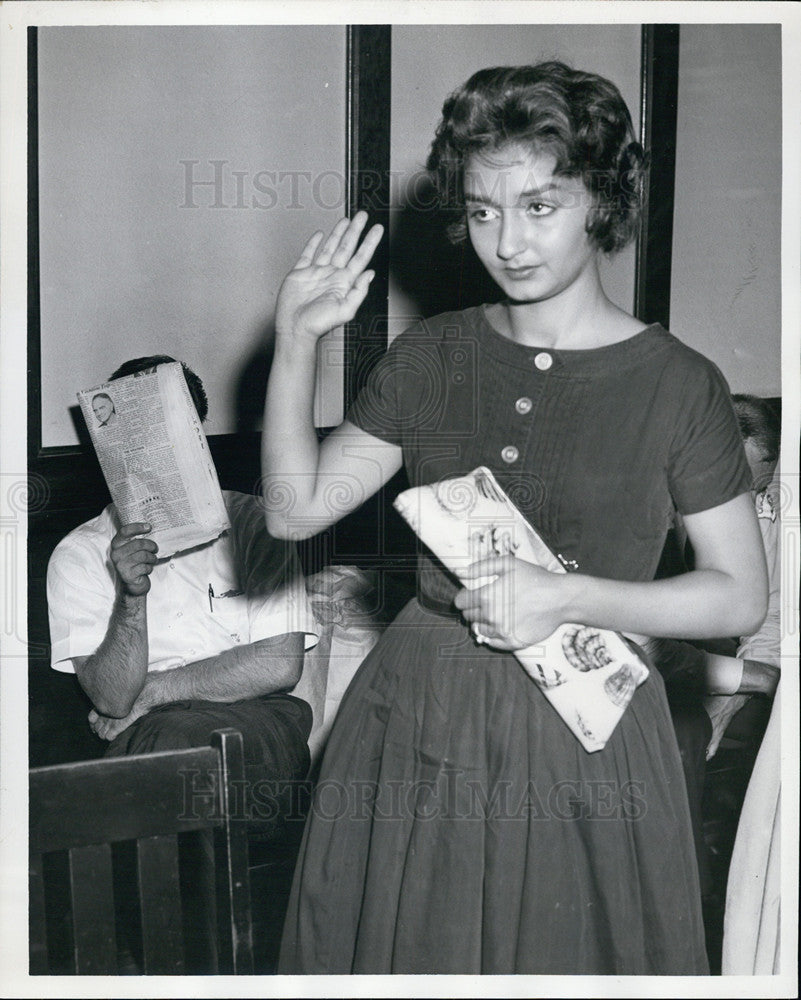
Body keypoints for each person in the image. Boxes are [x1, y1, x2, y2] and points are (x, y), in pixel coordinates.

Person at [263, 63, 768, 974]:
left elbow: (737, 599)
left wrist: (565, 597)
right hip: (417, 717)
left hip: (587, 735)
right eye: (485, 210)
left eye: (541, 206)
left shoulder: (677, 383)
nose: (508, 240)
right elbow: (296, 512)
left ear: (601, 201)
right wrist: (296, 343)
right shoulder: (433, 356)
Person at [48, 355, 318, 810]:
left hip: (259, 717)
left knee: (171, 753)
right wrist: (130, 598)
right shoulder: (78, 554)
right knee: (163, 758)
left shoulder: (255, 522)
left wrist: (151, 692)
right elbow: (113, 701)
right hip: (146, 731)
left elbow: (279, 665)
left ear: (199, 433)